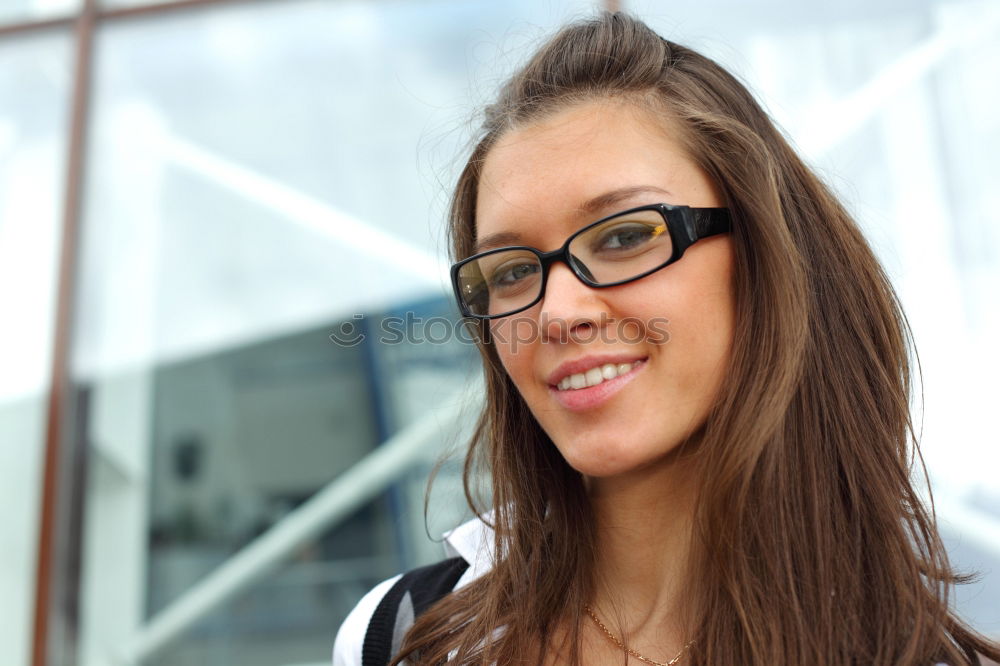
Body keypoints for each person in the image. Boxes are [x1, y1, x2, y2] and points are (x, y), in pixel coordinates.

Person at [334, 12, 1000, 665]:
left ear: (765, 258)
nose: (557, 313)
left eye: (624, 236)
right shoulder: (400, 638)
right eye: (510, 272)